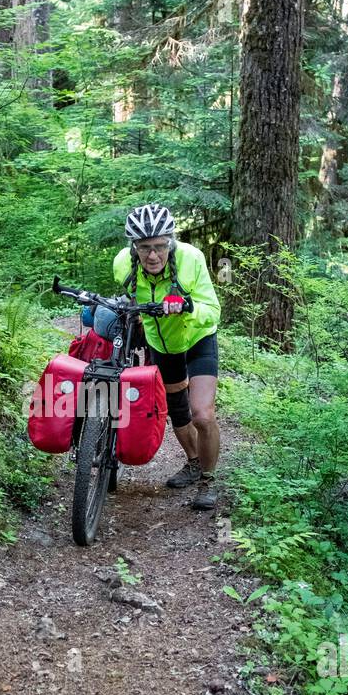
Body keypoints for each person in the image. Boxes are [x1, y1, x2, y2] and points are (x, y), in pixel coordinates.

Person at [111, 203, 221, 510]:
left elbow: (213, 311)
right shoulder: (122, 264)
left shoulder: (191, 260)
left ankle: (209, 482)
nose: (153, 255)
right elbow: (131, 298)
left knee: (202, 414)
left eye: (160, 246)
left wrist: (187, 306)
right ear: (133, 247)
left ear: (170, 242)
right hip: (162, 345)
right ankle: (194, 462)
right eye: (144, 248)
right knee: (178, 411)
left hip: (197, 339)